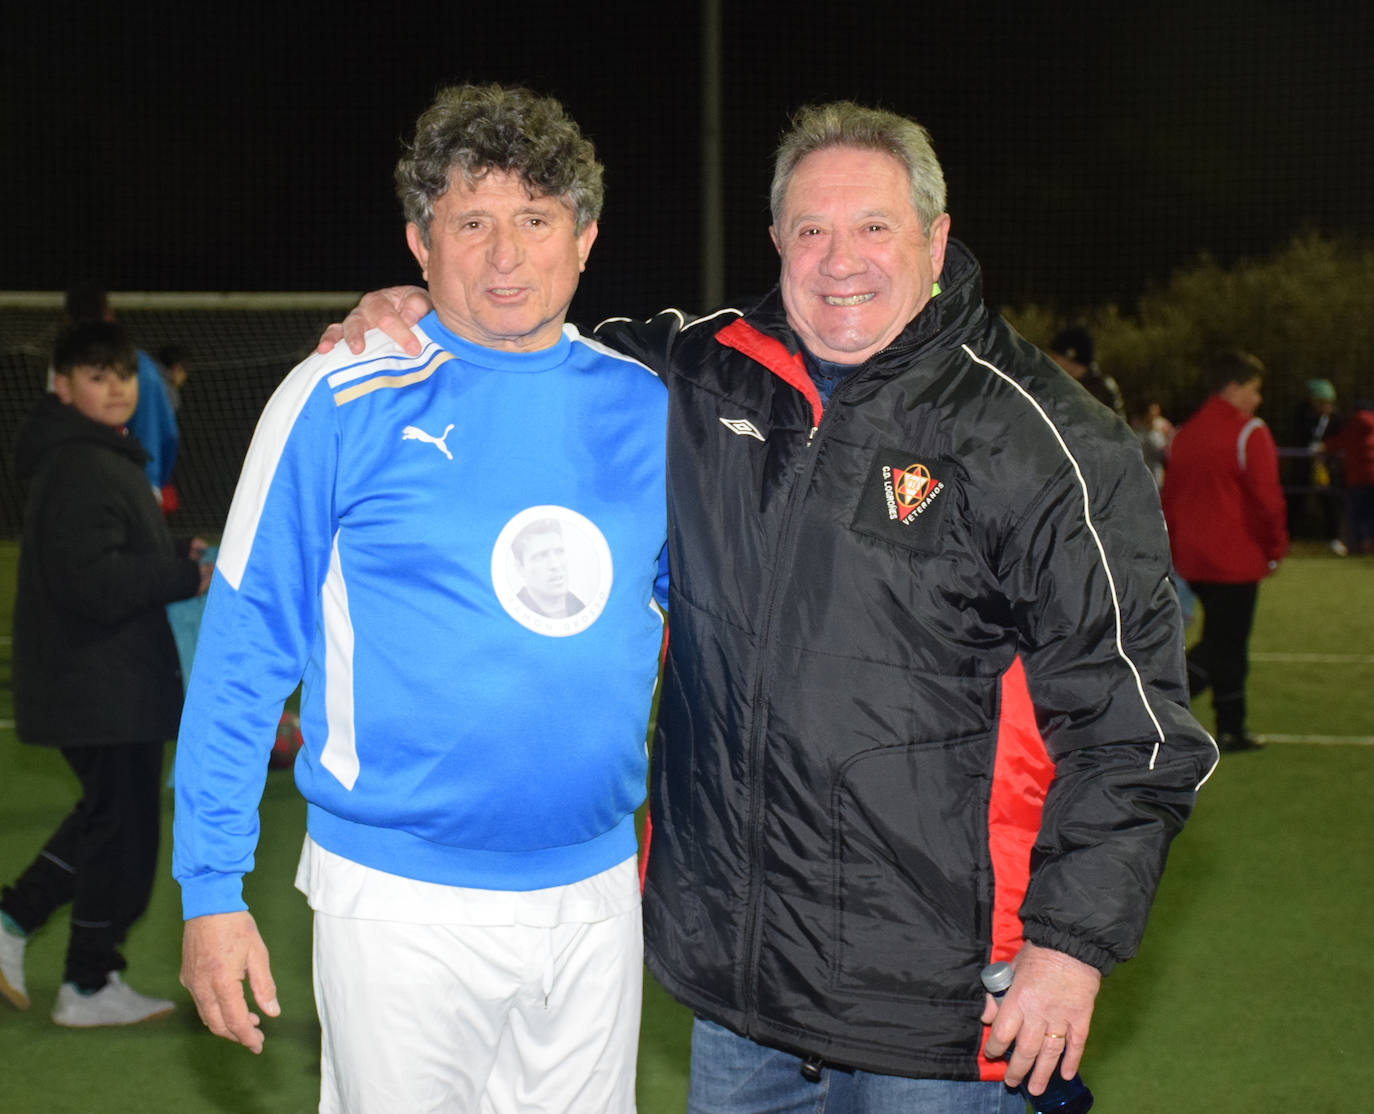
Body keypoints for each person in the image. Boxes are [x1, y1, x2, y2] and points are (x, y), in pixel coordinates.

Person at [329, 100, 1216, 1113]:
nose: (840, 260)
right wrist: (418, 308)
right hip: (743, 1001)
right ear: (777, 243)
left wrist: (1071, 946)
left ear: (935, 239)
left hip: (938, 1013)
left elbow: (1137, 736)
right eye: (811, 229)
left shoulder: (1044, 441)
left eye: (872, 227)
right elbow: (528, 338)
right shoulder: (700, 375)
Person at [172, 84, 668, 1114]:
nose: (504, 255)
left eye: (534, 220)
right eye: (470, 222)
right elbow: (243, 650)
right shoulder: (338, 396)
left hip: (593, 894)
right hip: (398, 901)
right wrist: (212, 889)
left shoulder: (651, 407)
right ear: (418, 243)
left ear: (584, 238)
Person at [0, 321, 210, 1026]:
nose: (116, 387)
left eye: (122, 374)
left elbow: (113, 554)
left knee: (108, 819)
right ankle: (83, 977)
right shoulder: (81, 463)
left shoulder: (97, 455)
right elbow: (93, 582)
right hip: (100, 684)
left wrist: (180, 550)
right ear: (61, 385)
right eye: (97, 375)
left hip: (106, 682)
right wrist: (187, 573)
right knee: (118, 826)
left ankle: (55, 952)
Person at [1162, 350, 1288, 752]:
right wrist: (1274, 549)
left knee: (1226, 641)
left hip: (1192, 559)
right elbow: (1267, 500)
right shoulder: (1250, 432)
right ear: (1233, 388)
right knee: (1222, 645)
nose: (1258, 399)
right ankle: (1157, 707)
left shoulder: (1184, 433)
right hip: (1234, 559)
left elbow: (1169, 499)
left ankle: (1232, 726)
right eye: (1254, 390)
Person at [63, 285, 181, 507]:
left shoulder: (65, 369)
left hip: (80, 486)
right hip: (136, 486)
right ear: (109, 315)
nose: (115, 390)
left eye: (123, 379)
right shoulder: (141, 366)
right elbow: (169, 435)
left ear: (67, 318)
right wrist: (157, 480)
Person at [1286, 377, 1345, 553]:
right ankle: (1288, 538)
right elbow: (1295, 435)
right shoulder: (1301, 413)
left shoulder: (1336, 418)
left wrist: (1325, 447)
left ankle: (1334, 538)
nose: (1323, 406)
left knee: (1330, 502)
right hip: (1303, 465)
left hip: (1326, 468)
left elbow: (1341, 439)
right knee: (1296, 501)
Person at [1324, 395, 1374, 555]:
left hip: (1356, 479)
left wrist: (1322, 446)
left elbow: (1336, 443)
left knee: (1358, 515)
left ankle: (1362, 545)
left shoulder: (1351, 426)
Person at [1048, 325, 1126, 418]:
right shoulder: (1062, 383)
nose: (1051, 361)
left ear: (1070, 357)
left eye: (1055, 357)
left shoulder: (1098, 391)